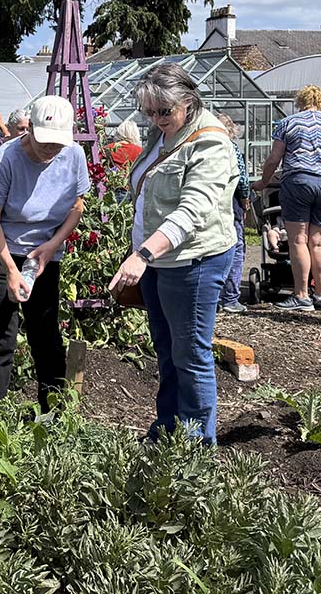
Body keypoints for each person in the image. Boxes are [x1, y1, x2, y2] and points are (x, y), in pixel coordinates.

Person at [109, 64, 238, 445]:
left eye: (164, 111)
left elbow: (192, 210)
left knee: (191, 354)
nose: (156, 118)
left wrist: (143, 254)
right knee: (167, 350)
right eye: (149, 111)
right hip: (157, 261)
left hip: (193, 261)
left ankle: (197, 444)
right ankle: (167, 430)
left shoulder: (210, 141)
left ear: (189, 100)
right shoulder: (159, 135)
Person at [0, 94, 89, 412]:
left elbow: (77, 207)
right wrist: (11, 269)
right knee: (1, 334)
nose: (51, 148)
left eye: (57, 142)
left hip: (44, 251)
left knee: (46, 332)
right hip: (0, 249)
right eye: (45, 141)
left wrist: (53, 246)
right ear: (30, 129)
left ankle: (53, 417)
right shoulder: (4, 160)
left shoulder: (74, 156)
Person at [253, 85, 321, 312]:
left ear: (300, 101)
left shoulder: (289, 123)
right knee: (318, 241)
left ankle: (301, 295)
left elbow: (275, 157)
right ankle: (320, 296)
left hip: (299, 182)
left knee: (298, 240)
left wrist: (263, 182)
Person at [216, 114, 252, 314]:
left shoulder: (204, 146)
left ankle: (214, 296)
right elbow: (242, 178)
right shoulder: (231, 147)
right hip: (231, 200)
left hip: (211, 200)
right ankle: (230, 297)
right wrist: (245, 199)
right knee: (236, 246)